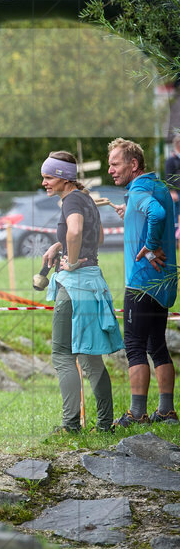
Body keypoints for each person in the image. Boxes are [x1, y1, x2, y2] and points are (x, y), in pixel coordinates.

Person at [38, 152, 121, 433]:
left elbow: (75, 232)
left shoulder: (71, 199)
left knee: (62, 355)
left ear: (63, 177)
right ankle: (105, 425)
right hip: (93, 284)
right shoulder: (85, 198)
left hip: (74, 287)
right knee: (90, 358)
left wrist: (71, 261)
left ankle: (71, 424)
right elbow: (96, 238)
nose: (44, 183)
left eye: (48, 177)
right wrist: (58, 246)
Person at [107, 138, 178, 425]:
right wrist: (130, 215)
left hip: (141, 284)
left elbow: (156, 214)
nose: (110, 170)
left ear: (133, 164)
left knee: (135, 345)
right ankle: (166, 411)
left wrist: (148, 246)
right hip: (163, 283)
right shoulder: (159, 186)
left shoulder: (138, 191)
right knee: (157, 344)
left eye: (115, 163)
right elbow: (155, 211)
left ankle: (137, 414)